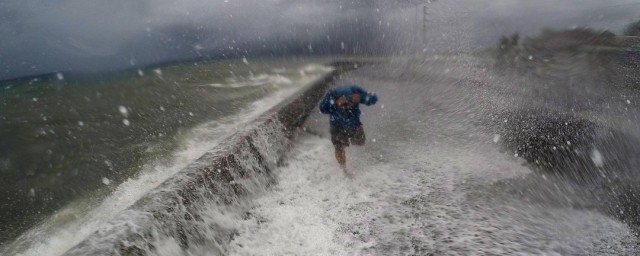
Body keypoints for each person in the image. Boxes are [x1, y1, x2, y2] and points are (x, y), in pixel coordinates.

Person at [319, 85, 378, 175]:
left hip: (354, 125)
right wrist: (335, 103)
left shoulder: (355, 91)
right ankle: (343, 169)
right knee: (339, 147)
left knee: (360, 143)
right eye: (345, 104)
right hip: (337, 126)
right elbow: (322, 108)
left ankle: (360, 162)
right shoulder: (332, 94)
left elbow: (373, 99)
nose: (348, 106)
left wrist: (362, 98)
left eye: (350, 103)